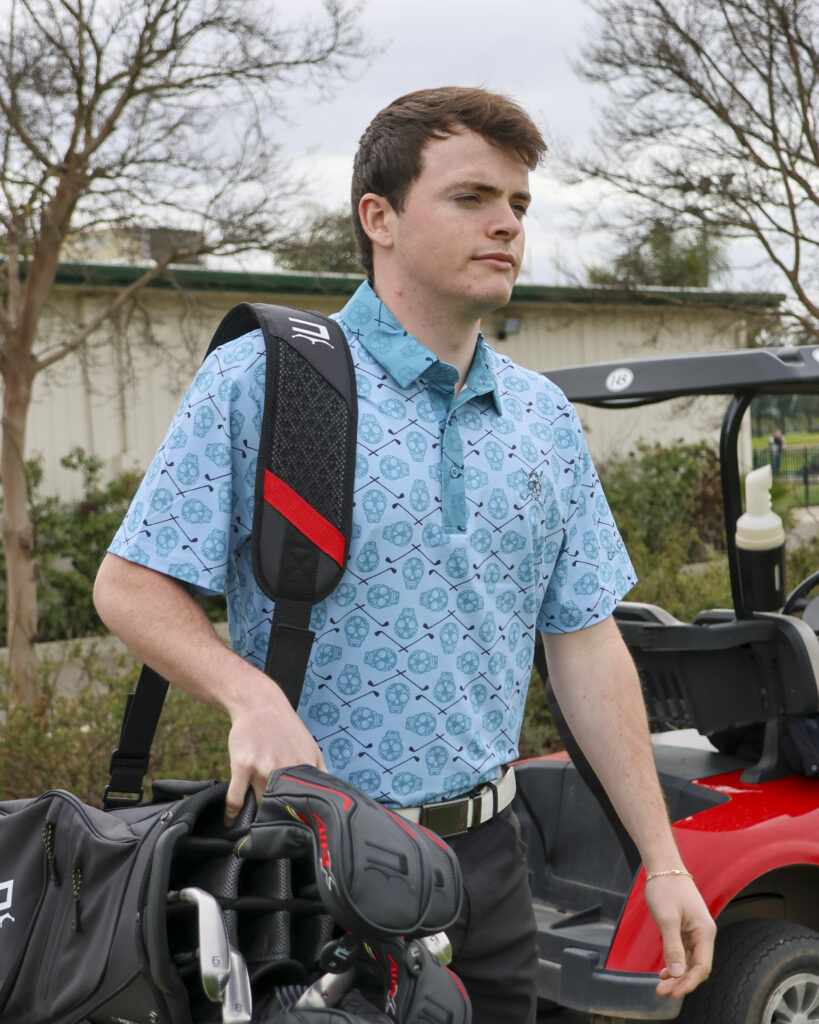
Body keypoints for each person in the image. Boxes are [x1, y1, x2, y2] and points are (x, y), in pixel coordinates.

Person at [94, 86, 715, 1023]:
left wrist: (660, 859)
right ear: (377, 218)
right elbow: (129, 585)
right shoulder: (269, 376)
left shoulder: (541, 418)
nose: (506, 224)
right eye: (471, 198)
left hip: (489, 865)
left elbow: (584, 643)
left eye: (518, 204)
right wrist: (249, 694)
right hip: (307, 867)